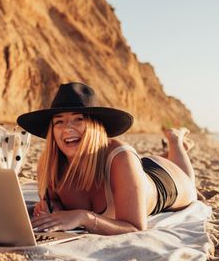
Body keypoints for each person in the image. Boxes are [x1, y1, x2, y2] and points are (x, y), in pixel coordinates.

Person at [16, 82, 198, 235]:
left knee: (190, 185)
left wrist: (83, 217)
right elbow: (51, 202)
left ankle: (175, 141)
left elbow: (135, 228)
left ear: (95, 126)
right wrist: (51, 206)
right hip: (130, 173)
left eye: (78, 119)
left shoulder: (121, 157)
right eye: (59, 122)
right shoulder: (50, 164)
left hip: (164, 181)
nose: (67, 129)